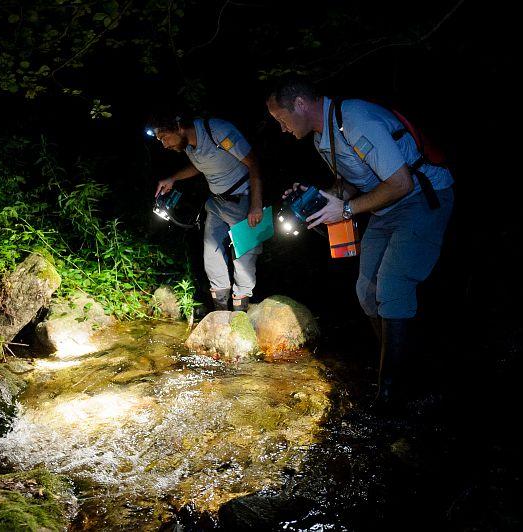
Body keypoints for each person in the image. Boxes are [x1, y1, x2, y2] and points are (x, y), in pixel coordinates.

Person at [266, 77, 454, 410]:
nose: (282, 128)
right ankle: (400, 370)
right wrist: (321, 199)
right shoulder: (321, 137)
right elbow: (352, 182)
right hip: (385, 207)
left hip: (421, 198)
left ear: (300, 104)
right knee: (367, 290)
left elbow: (401, 182)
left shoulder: (355, 119)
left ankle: (391, 395)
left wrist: (346, 209)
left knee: (393, 286)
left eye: (281, 119)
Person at [151, 112, 264, 312]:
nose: (164, 145)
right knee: (211, 255)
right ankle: (220, 311)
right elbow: (199, 166)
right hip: (216, 202)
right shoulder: (188, 145)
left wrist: (256, 204)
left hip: (242, 199)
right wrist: (173, 178)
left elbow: (253, 163)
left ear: (179, 127)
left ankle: (240, 314)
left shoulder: (218, 132)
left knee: (244, 258)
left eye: (164, 138)